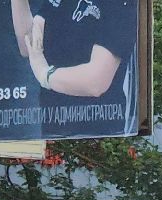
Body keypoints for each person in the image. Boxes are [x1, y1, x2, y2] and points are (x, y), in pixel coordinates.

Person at [10, 0, 138, 138]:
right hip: (54, 131)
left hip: (98, 135)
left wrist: (45, 75)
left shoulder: (120, 4)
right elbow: (28, 44)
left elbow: (95, 82)